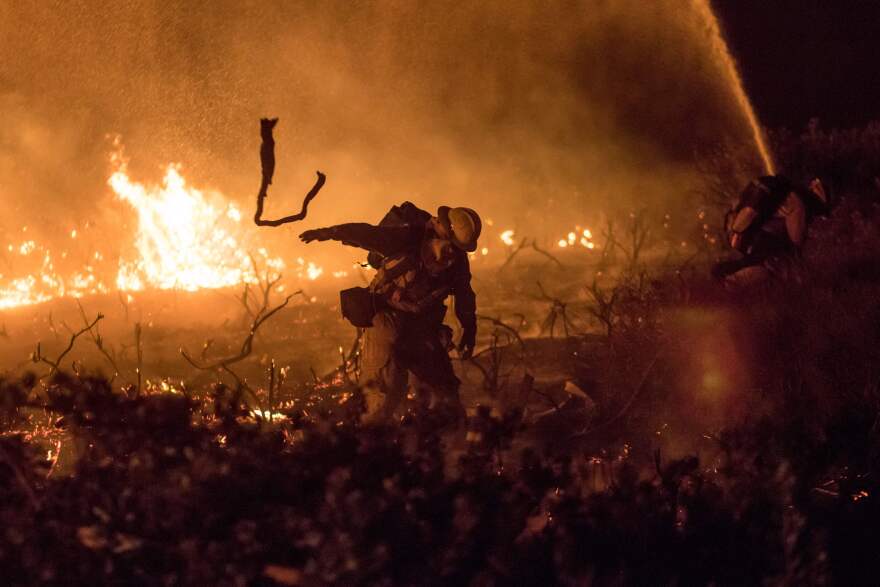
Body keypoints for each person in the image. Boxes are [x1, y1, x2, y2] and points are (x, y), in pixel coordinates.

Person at [300, 204, 481, 422]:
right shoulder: (407, 238)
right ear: (440, 228)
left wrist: (469, 328)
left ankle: (445, 449)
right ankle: (366, 446)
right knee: (384, 396)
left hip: (423, 328)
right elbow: (368, 234)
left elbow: (464, 294)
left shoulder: (458, 262)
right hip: (387, 322)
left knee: (446, 398)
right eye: (450, 246)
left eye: (458, 249)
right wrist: (331, 232)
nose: (452, 254)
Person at [712, 175, 828, 288]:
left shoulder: (754, 198)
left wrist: (736, 230)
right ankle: (731, 280)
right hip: (777, 222)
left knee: (785, 257)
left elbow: (749, 213)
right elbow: (749, 213)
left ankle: (731, 281)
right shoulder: (752, 201)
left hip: (784, 215)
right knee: (783, 257)